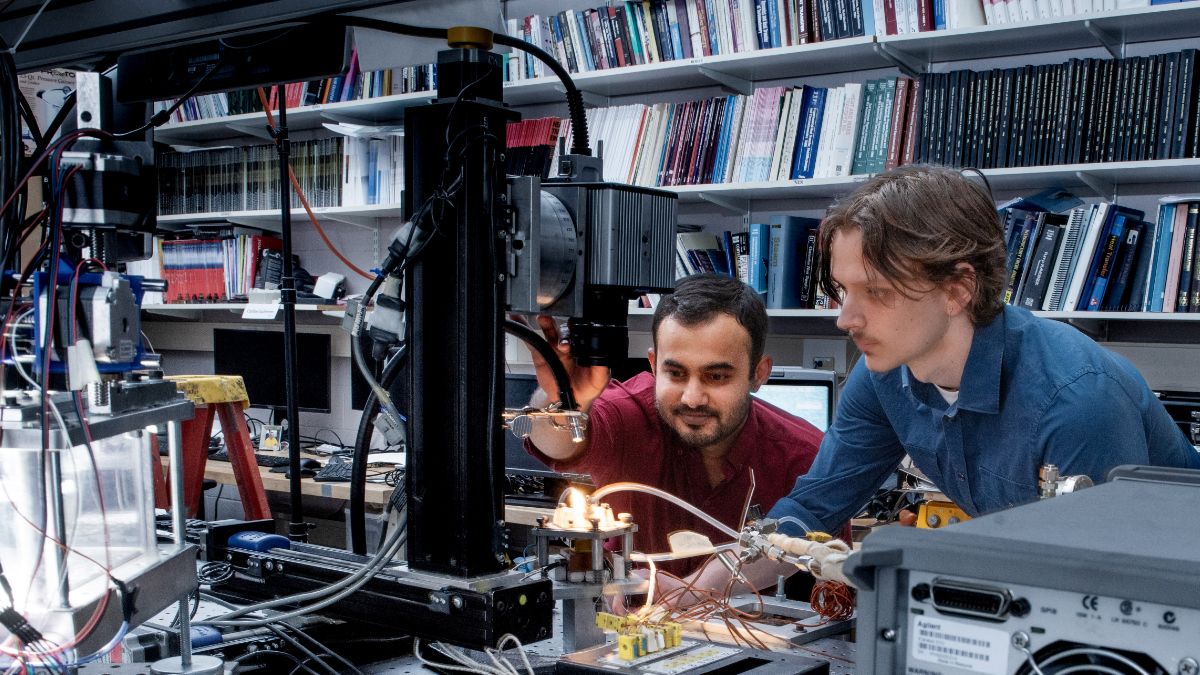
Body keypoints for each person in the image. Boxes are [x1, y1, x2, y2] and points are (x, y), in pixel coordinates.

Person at [769, 165, 1200, 536]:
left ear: (958, 289)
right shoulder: (883, 373)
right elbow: (811, 510)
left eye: (877, 292)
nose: (845, 319)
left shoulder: (1077, 401)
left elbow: (1103, 584)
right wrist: (708, 587)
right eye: (844, 290)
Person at [520, 274, 824, 592]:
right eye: (675, 373)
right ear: (654, 364)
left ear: (758, 374)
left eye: (717, 375)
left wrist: (686, 594)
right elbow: (558, 443)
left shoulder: (805, 456)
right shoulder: (630, 417)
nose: (692, 397)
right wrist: (563, 400)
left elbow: (830, 578)